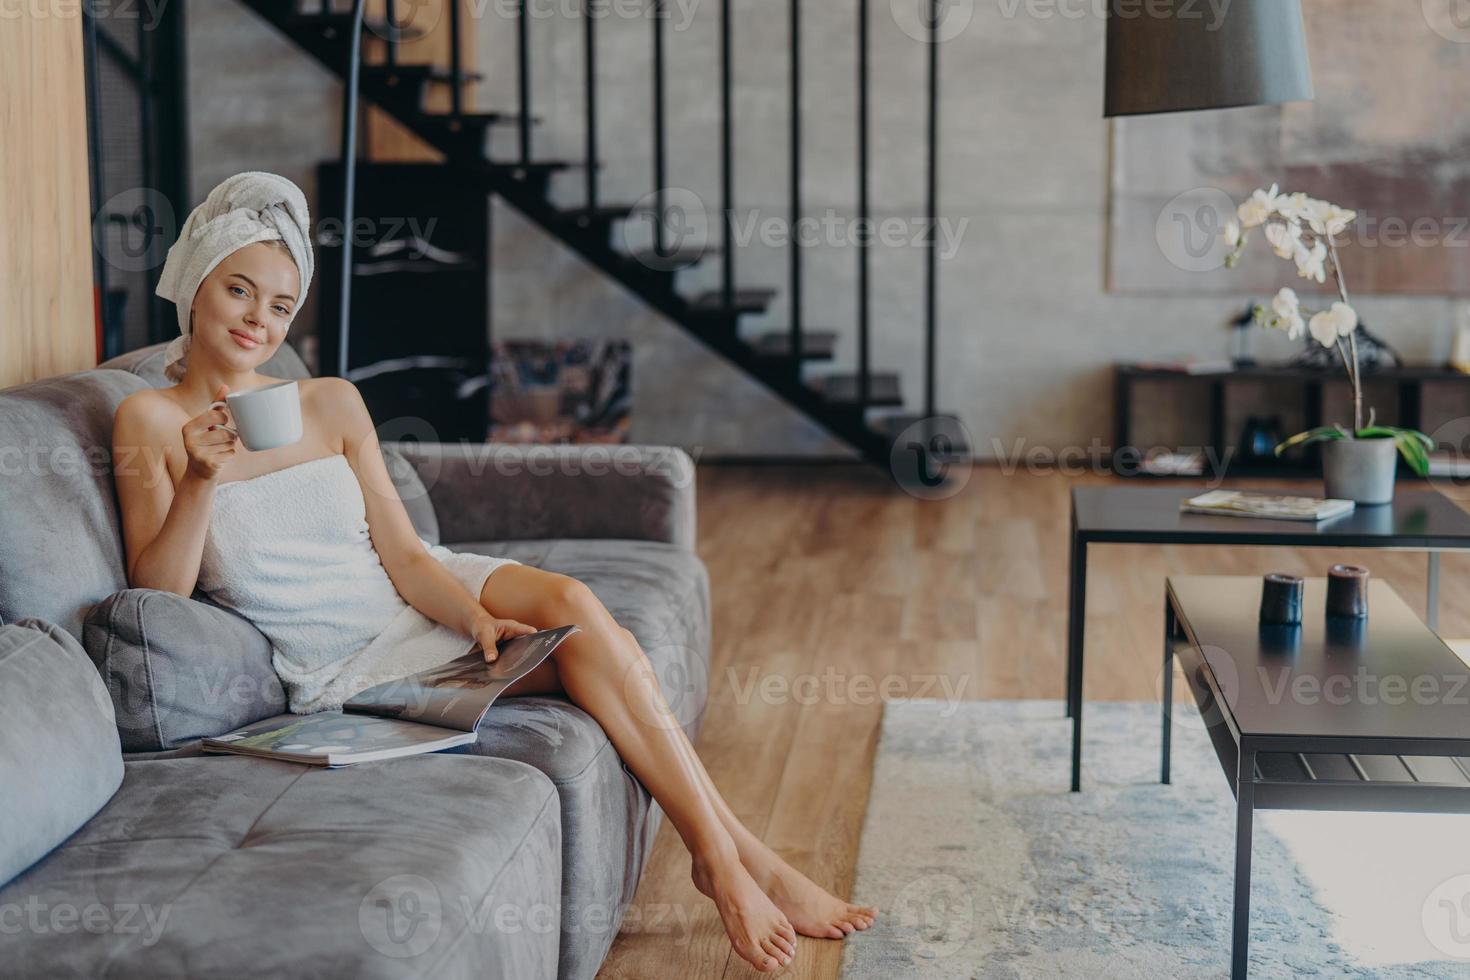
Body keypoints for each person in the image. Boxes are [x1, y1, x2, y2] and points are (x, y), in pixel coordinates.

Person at [110, 173, 876, 973]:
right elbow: (154, 594)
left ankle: (731, 858)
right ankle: (734, 861)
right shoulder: (149, 420)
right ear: (195, 283)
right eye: (240, 291)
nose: (257, 321)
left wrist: (472, 619)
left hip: (422, 598)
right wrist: (198, 479)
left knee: (577, 605)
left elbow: (406, 557)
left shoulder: (329, 401)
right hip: (346, 663)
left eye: (279, 306)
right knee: (592, 652)